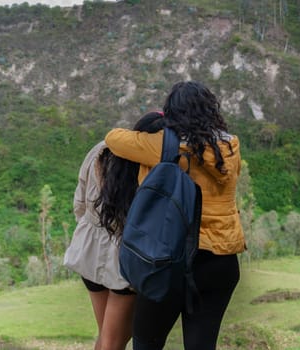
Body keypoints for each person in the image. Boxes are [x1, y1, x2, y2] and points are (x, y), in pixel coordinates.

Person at [104, 81, 246, 350]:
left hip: (170, 261)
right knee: (202, 345)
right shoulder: (230, 148)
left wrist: (160, 124)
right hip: (221, 261)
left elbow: (113, 138)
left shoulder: (162, 147)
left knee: (147, 342)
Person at [64, 112, 165, 350]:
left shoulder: (101, 150)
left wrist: (89, 229)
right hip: (122, 258)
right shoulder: (153, 163)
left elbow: (79, 201)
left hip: (88, 248)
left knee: (107, 336)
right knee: (114, 340)